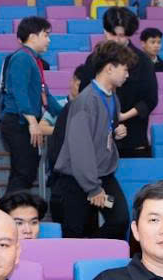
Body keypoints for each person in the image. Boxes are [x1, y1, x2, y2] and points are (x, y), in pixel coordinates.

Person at [53, 40, 136, 239]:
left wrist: (115, 132)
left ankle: (96, 249)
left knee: (120, 219)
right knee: (75, 235)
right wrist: (93, 188)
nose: (127, 75)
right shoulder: (86, 101)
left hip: (103, 175)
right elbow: (81, 149)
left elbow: (102, 130)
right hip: (77, 179)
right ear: (109, 68)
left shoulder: (112, 97)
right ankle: (91, 250)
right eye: (125, 69)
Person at [76, 8, 158, 157]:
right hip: (99, 137)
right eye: (113, 34)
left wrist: (122, 116)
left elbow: (150, 100)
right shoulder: (93, 59)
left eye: (122, 35)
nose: (117, 40)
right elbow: (84, 94)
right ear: (105, 32)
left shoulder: (143, 61)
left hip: (133, 138)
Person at [0, 16, 64, 193]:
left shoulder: (34, 60)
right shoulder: (22, 58)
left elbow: (45, 95)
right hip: (18, 123)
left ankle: (10, 207)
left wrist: (68, 113)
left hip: (24, 123)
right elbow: (19, 92)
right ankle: (11, 207)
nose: (49, 40)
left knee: (23, 173)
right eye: (46, 35)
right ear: (33, 37)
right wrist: (33, 122)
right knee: (24, 172)